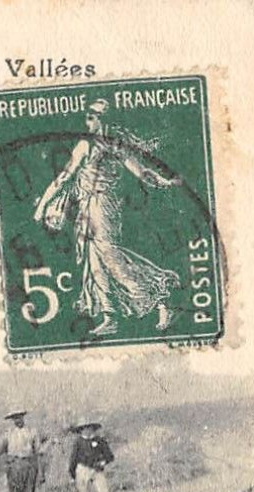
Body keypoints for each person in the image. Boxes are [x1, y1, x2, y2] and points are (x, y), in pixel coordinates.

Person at [33, 99, 183, 338]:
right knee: (93, 261)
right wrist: (163, 181)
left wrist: (42, 207)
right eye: (88, 116)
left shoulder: (97, 145)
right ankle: (109, 315)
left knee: (110, 256)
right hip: (88, 205)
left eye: (93, 116)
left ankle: (161, 302)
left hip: (102, 205)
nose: (88, 121)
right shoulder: (109, 144)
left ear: (104, 119)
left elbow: (141, 173)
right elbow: (142, 173)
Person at [0, 410, 42, 492]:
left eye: (19, 417)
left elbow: (38, 451)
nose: (18, 420)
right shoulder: (8, 434)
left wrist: (40, 471)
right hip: (14, 467)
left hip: (29, 466)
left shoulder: (32, 432)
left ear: (23, 418)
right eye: (15, 418)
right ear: (12, 420)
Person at [68, 420, 115, 492]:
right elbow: (73, 459)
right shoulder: (78, 442)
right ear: (81, 430)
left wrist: (103, 462)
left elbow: (109, 456)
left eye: (90, 428)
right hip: (83, 469)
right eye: (85, 428)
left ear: (93, 429)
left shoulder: (99, 440)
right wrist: (72, 475)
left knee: (104, 491)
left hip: (97, 469)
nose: (87, 430)